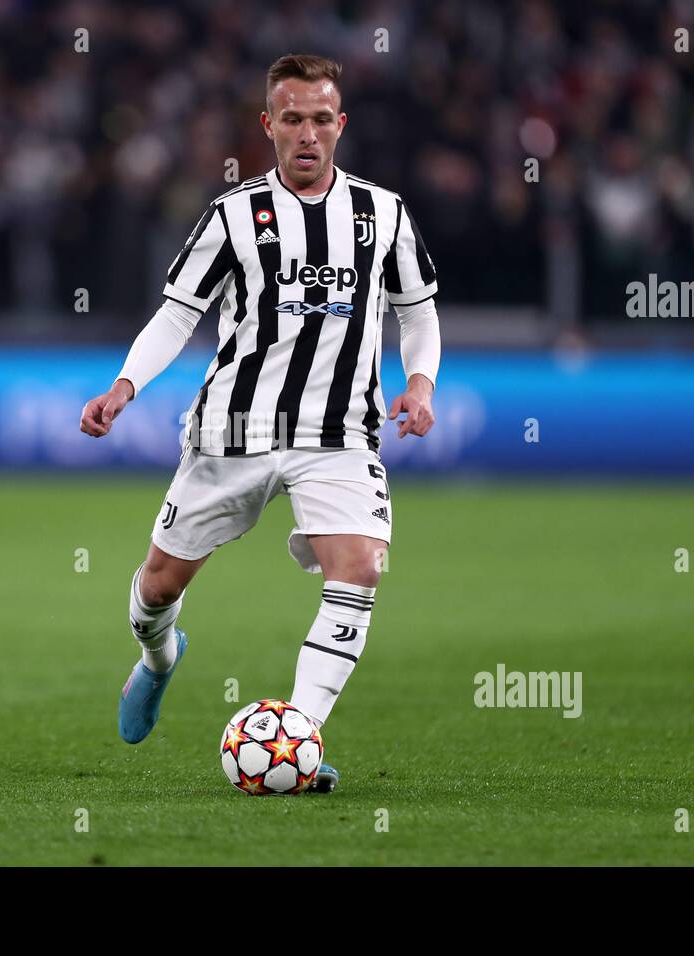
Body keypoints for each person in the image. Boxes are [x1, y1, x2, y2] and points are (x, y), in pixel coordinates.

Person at [80, 53, 440, 793]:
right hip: (231, 433)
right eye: (292, 120)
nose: (307, 135)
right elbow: (179, 311)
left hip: (337, 435)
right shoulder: (234, 215)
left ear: (340, 125)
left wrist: (420, 384)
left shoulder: (384, 214)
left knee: (361, 567)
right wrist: (125, 385)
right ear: (267, 125)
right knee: (157, 587)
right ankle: (158, 658)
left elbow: (418, 310)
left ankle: (299, 741)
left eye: (320, 120)